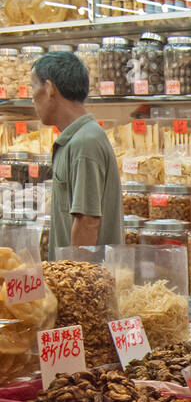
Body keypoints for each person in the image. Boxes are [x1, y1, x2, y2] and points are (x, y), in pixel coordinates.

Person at [31, 50, 123, 259]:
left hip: (87, 283)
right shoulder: (76, 139)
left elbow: (87, 224)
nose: (32, 98)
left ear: (49, 88)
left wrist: (73, 283)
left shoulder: (85, 142)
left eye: (34, 87)